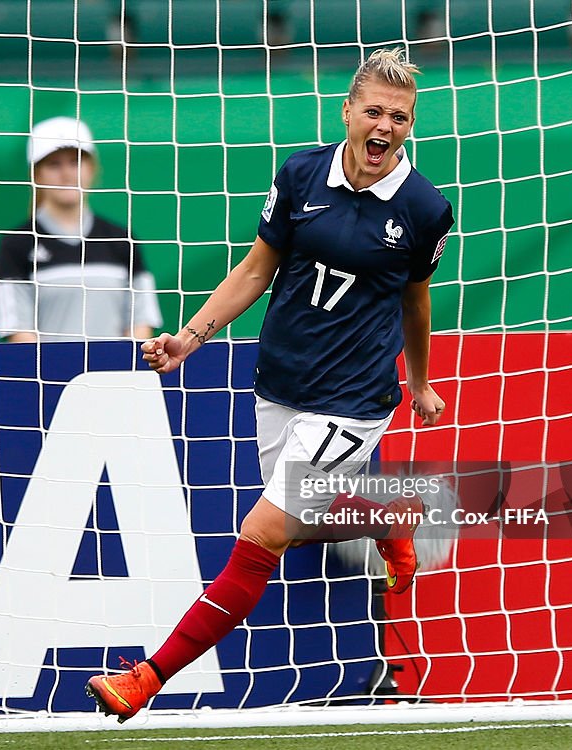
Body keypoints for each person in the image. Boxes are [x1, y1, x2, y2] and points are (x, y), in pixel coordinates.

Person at [86, 48, 454, 722]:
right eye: (373, 110)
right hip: (280, 383)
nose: (385, 126)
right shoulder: (301, 173)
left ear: (409, 126)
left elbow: (416, 303)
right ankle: (388, 515)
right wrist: (187, 340)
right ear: (347, 112)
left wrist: (420, 383)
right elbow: (257, 270)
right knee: (297, 524)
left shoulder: (426, 208)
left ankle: (147, 677)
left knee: (260, 535)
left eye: (398, 117)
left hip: (353, 399)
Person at [0, 116, 162, 342]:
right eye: (54, 164)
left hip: (113, 375)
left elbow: (141, 324)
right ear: (36, 173)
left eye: (75, 162)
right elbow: (17, 331)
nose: (67, 174)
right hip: (46, 376)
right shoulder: (17, 243)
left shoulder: (122, 239)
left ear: (92, 168)